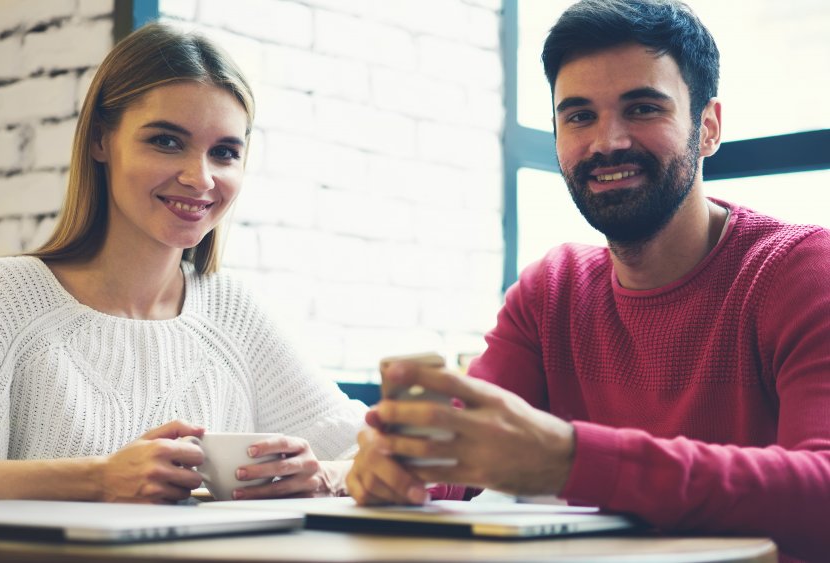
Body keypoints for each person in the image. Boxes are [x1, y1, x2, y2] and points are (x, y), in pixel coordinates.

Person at [0, 23, 366, 561]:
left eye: (224, 152)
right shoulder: (9, 295)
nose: (199, 177)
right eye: (166, 141)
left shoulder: (232, 312)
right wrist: (99, 479)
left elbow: (364, 453)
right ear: (100, 140)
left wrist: (323, 477)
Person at [346, 1, 830, 561]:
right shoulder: (552, 291)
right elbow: (453, 449)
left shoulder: (800, 270)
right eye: (578, 116)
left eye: (643, 108)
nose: (607, 142)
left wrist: (571, 459)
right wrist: (401, 469)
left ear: (708, 127)